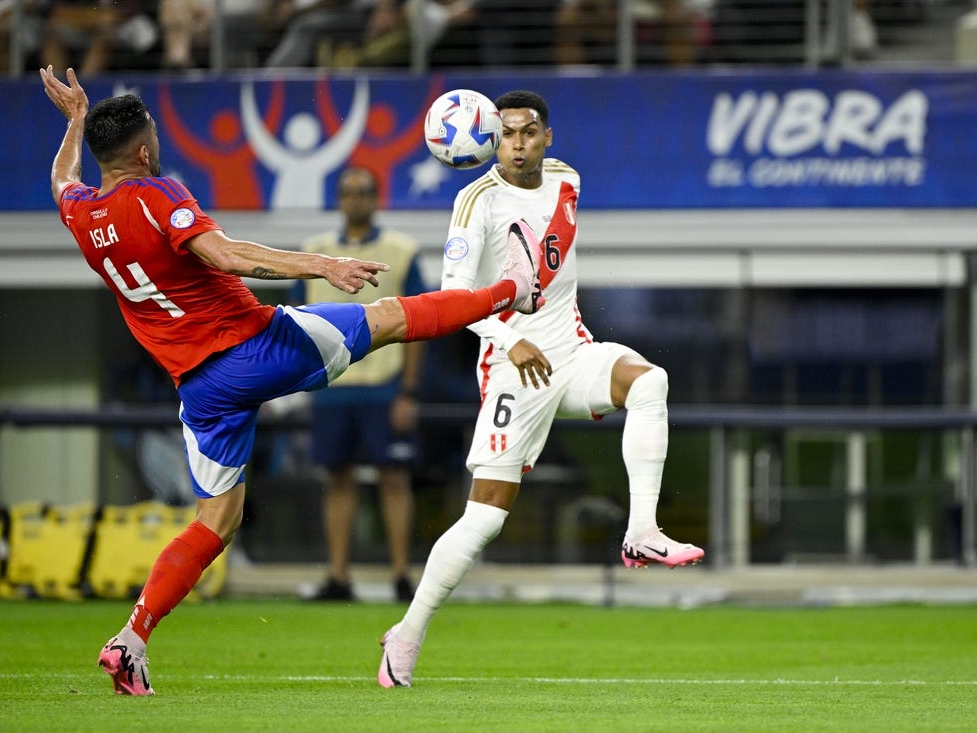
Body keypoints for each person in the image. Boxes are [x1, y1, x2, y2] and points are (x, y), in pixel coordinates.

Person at [38, 65, 543, 696]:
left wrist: (73, 124)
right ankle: (512, 289)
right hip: (252, 347)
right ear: (143, 151)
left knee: (216, 520)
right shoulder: (157, 192)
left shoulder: (84, 213)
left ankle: (133, 638)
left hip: (196, 387)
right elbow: (224, 255)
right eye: (156, 135)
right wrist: (319, 264)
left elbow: (63, 179)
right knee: (388, 317)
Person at [376, 89, 705, 688]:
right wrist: (508, 338)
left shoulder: (568, 180)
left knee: (650, 383)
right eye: (506, 134)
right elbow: (453, 298)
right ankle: (408, 632)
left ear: (547, 136)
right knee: (485, 519)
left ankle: (641, 533)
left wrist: (546, 333)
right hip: (512, 369)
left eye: (528, 132)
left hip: (572, 353)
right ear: (490, 140)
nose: (518, 143)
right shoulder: (474, 202)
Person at [289, 166, 424, 603]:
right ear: (339, 199)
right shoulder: (316, 252)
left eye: (364, 192)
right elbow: (295, 323)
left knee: (394, 478)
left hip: (384, 385)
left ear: (376, 197)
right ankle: (338, 575)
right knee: (337, 478)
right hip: (332, 384)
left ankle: (403, 575)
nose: (356, 200)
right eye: (348, 192)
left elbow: (418, 324)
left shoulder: (400, 251)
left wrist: (408, 391)